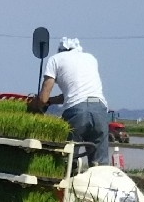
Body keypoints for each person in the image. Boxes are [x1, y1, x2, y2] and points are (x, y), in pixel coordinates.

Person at [29, 37, 109, 166]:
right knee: (99, 165)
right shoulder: (91, 58)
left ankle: (68, 181)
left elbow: (42, 99)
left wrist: (33, 105)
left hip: (77, 113)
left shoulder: (55, 60)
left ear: (60, 50)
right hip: (100, 110)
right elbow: (72, 93)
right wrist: (51, 101)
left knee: (67, 159)